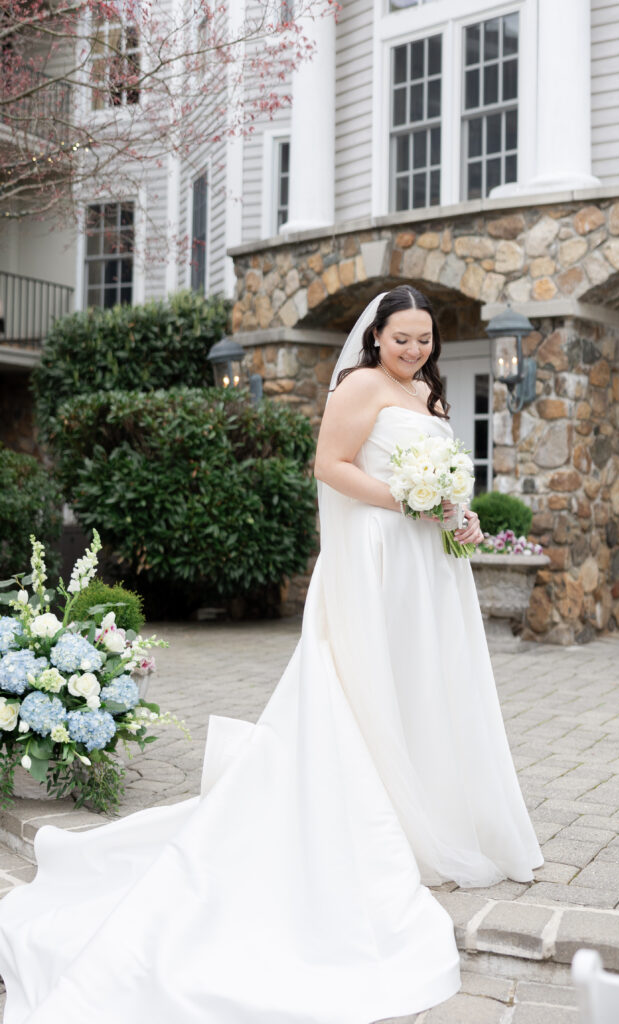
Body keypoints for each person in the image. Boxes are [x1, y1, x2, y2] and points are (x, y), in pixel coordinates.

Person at [0, 286, 542, 1024]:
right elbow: (331, 467)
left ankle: (432, 809)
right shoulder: (357, 386)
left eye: (424, 339)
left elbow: (437, 479)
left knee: (425, 687)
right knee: (371, 688)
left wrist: (457, 510)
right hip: (380, 559)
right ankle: (381, 822)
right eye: (402, 338)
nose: (414, 350)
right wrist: (406, 500)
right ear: (376, 336)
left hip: (428, 566)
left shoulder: (425, 393)